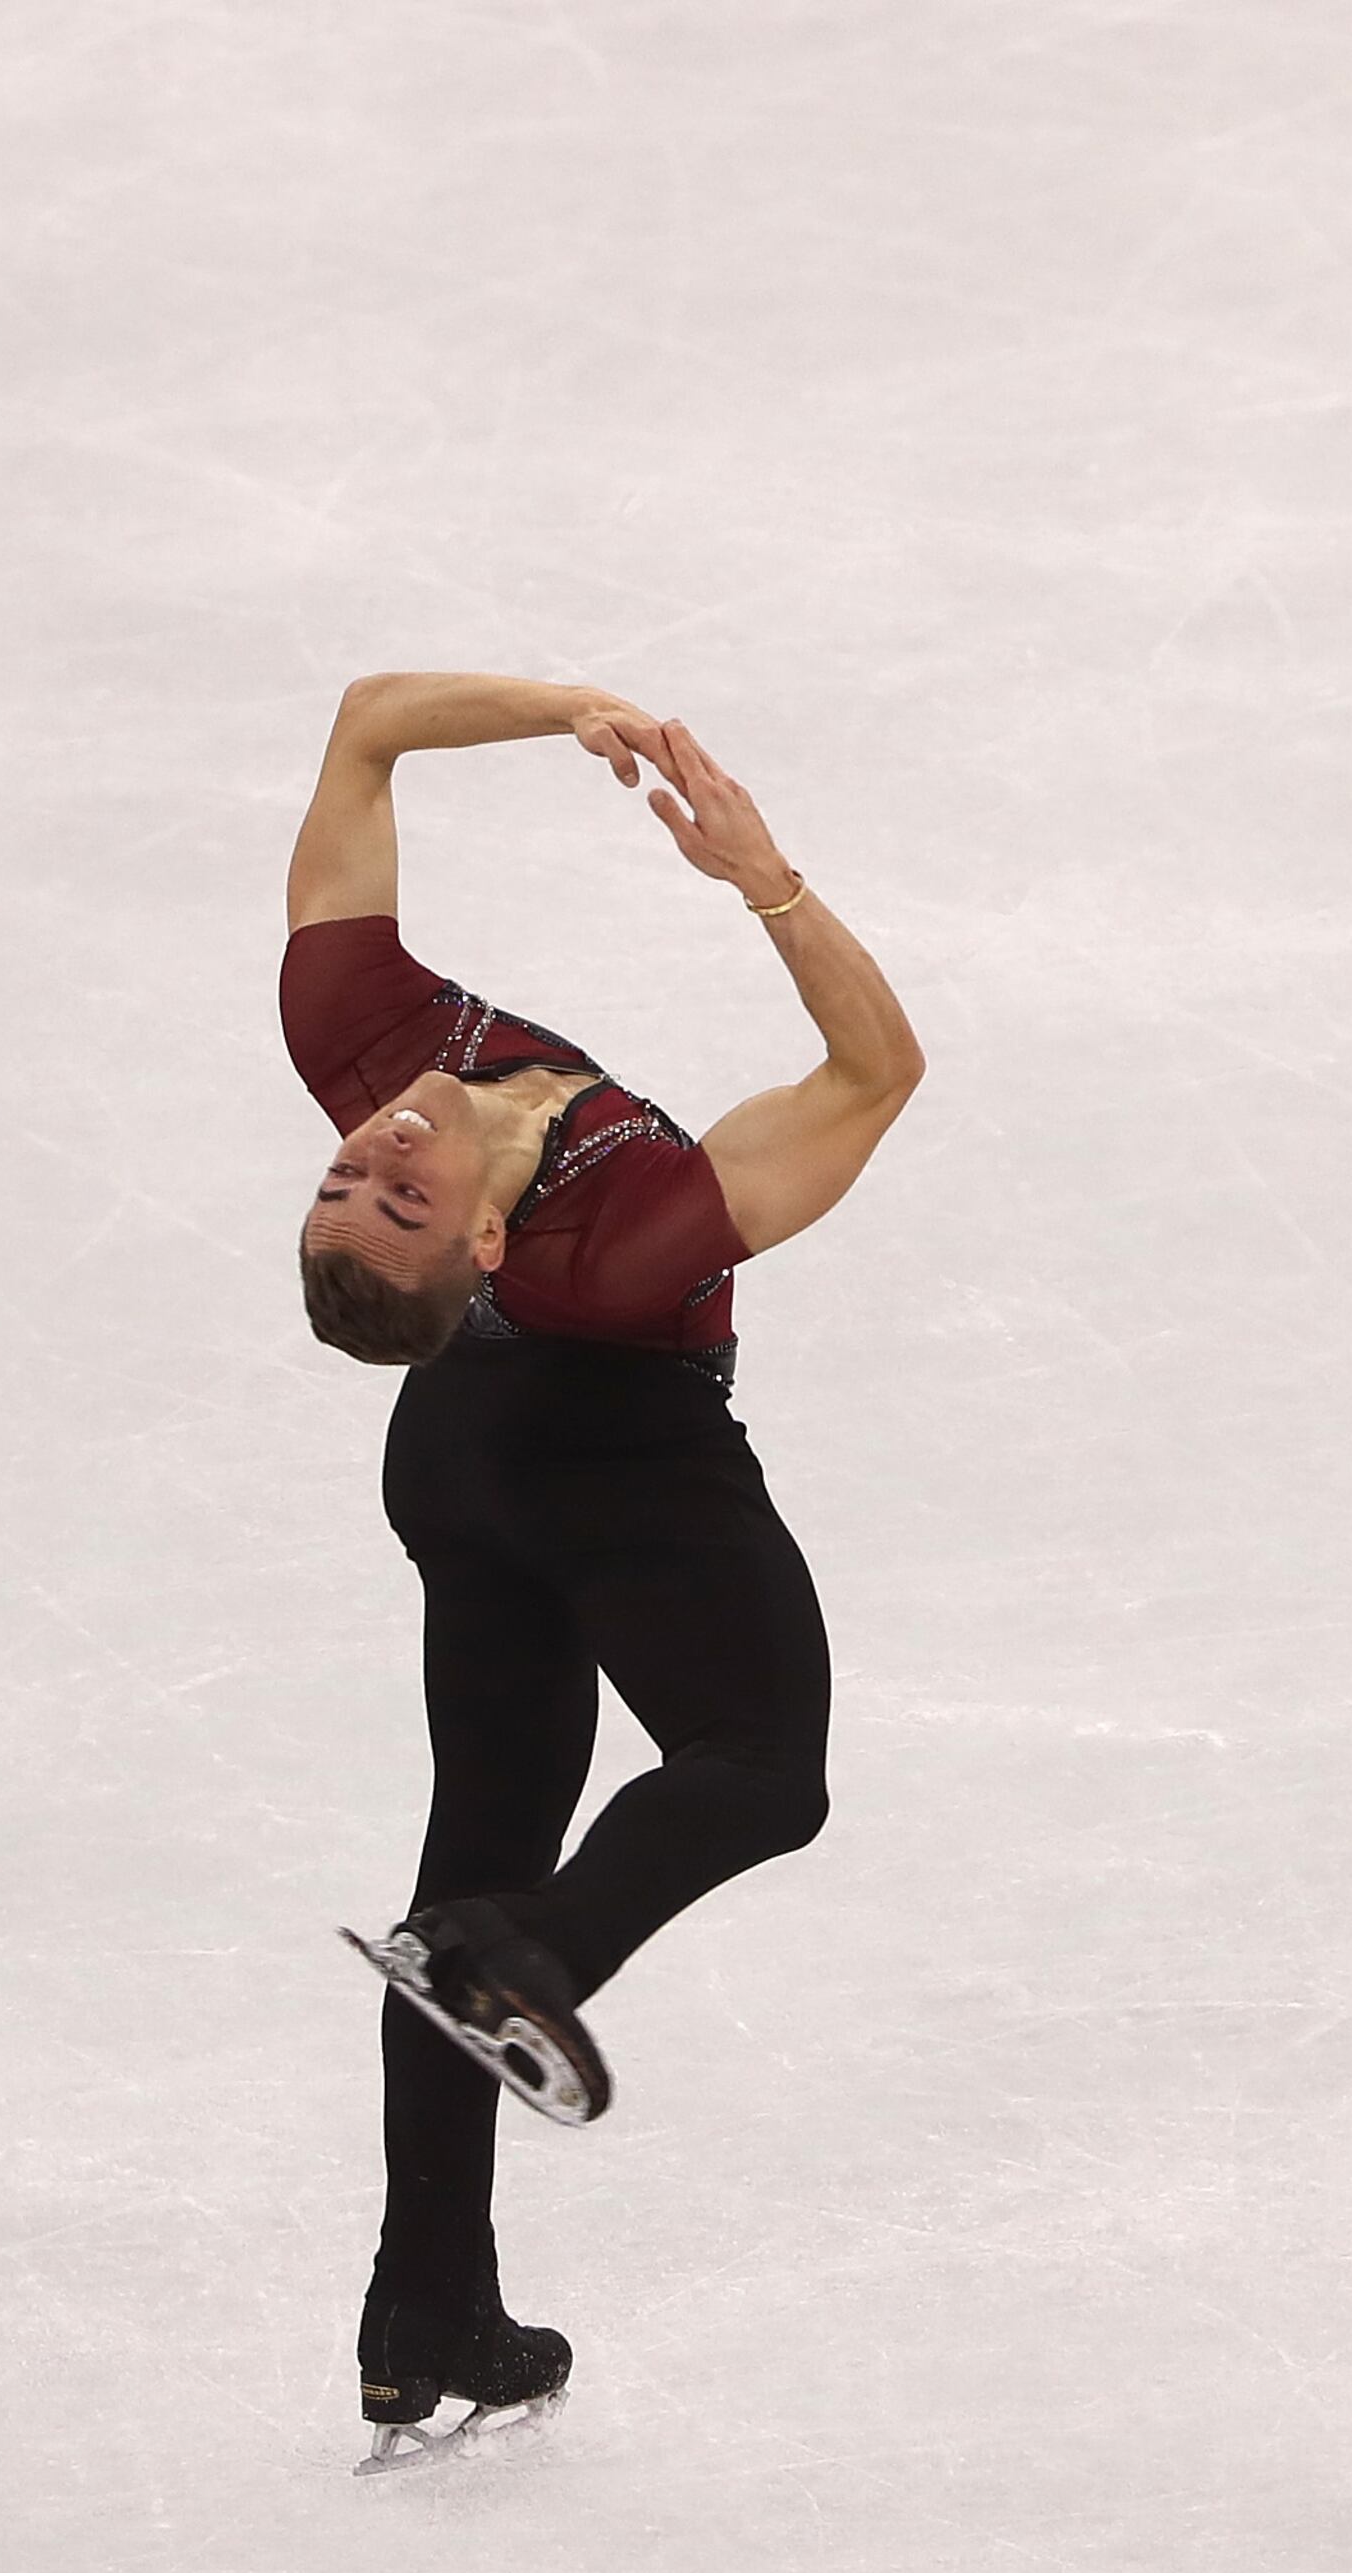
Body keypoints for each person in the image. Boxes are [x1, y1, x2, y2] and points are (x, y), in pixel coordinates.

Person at [280, 674, 923, 2467]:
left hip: (459, 1457)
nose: (380, 1152)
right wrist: (768, 884)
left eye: (348, 1177)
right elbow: (881, 1074)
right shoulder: (617, 1248)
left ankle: (427, 2306)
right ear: (485, 1242)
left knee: (460, 1869)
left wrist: (560, 704)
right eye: (396, 1199)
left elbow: (362, 728)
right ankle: (541, 1952)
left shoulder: (354, 1029)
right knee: (759, 1767)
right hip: (607, 1445)